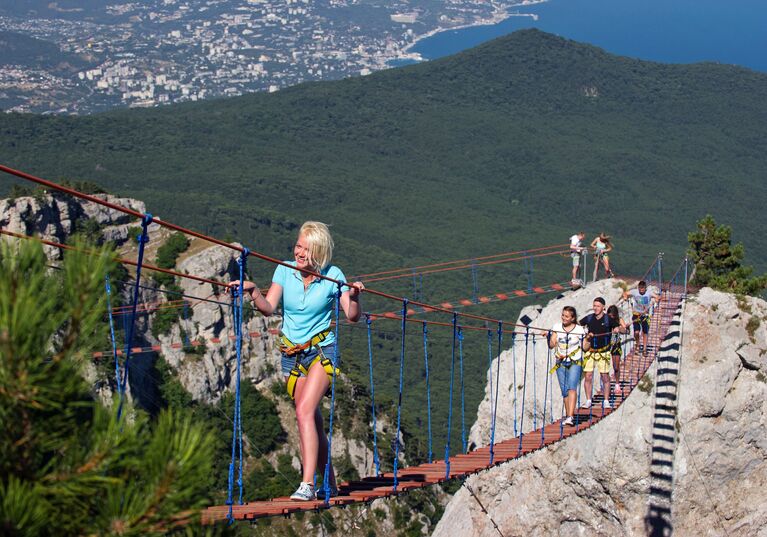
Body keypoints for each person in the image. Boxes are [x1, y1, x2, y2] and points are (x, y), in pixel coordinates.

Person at [229, 221, 364, 501]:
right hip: (292, 354)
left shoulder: (333, 275)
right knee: (311, 419)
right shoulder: (284, 269)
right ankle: (329, 482)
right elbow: (269, 308)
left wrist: (353, 296)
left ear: (319, 252)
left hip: (321, 352)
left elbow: (351, 316)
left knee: (303, 411)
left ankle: (308, 485)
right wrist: (254, 292)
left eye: (306, 248)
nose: (299, 252)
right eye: (298, 245)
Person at [548, 306, 590, 427]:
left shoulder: (579, 330)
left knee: (572, 387)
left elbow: (585, 348)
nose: (564, 318)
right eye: (563, 315)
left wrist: (588, 339)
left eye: (566, 316)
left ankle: (570, 416)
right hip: (560, 362)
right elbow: (552, 345)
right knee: (565, 391)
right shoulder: (556, 327)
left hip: (575, 361)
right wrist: (549, 337)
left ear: (573, 318)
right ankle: (568, 416)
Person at [579, 297, 622, 409]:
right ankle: (588, 400)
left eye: (598, 306)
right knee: (588, 376)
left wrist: (617, 329)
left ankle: (606, 400)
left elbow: (618, 326)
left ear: (603, 307)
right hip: (590, 351)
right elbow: (578, 325)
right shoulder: (589, 318)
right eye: (594, 306)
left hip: (603, 352)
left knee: (605, 376)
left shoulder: (608, 319)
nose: (595, 308)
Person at [624, 280, 660, 357]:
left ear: (645, 288)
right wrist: (625, 297)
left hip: (645, 315)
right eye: (640, 288)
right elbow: (626, 293)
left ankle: (644, 349)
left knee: (645, 332)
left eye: (643, 289)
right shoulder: (635, 292)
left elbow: (657, 296)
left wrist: (656, 299)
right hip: (636, 314)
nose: (641, 290)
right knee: (636, 332)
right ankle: (637, 344)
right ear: (638, 288)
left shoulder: (649, 293)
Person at [606, 305, 629, 395]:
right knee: (605, 367)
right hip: (606, 345)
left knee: (616, 366)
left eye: (612, 316)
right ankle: (606, 384)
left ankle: (617, 384)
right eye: (609, 316)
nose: (611, 318)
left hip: (616, 345)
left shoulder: (619, 320)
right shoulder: (605, 320)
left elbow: (626, 331)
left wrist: (620, 328)